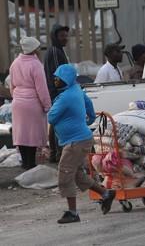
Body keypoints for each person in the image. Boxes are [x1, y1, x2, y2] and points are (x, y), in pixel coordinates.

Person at [48, 64, 115, 223]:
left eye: (59, 79)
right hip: (81, 139)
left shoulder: (65, 97)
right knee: (77, 174)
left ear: (67, 79)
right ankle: (106, 194)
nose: (55, 81)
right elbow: (89, 105)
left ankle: (73, 213)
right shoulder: (76, 90)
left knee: (65, 175)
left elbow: (51, 117)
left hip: (75, 142)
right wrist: (90, 118)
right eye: (55, 78)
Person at [9, 37, 51, 170]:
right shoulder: (36, 65)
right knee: (32, 134)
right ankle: (31, 163)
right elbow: (42, 88)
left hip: (18, 103)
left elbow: (12, 86)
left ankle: (25, 162)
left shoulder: (15, 63)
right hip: (32, 103)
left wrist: (16, 97)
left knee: (21, 134)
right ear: (34, 50)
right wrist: (47, 105)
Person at [44, 24, 70, 163]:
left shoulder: (58, 50)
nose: (65, 38)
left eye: (66, 36)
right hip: (57, 93)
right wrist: (63, 93)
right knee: (58, 124)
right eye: (62, 36)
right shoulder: (55, 51)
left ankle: (56, 154)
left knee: (55, 123)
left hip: (58, 93)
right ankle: (57, 154)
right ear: (55, 37)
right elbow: (58, 76)